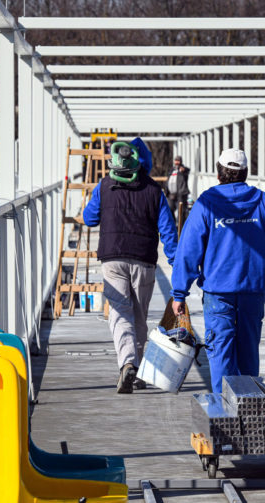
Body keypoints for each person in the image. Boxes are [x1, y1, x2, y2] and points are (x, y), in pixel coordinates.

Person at [170, 148, 265, 394]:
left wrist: (179, 293)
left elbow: (188, 250)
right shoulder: (262, 202)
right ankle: (249, 404)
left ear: (219, 173)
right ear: (245, 173)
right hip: (252, 292)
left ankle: (224, 407)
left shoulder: (207, 203)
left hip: (218, 294)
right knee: (249, 353)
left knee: (220, 353)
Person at [79, 137, 179, 394]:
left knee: (120, 313)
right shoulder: (155, 191)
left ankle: (127, 363)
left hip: (113, 258)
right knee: (139, 317)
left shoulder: (105, 185)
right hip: (144, 261)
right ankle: (138, 372)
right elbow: (168, 231)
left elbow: (89, 218)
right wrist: (176, 263)